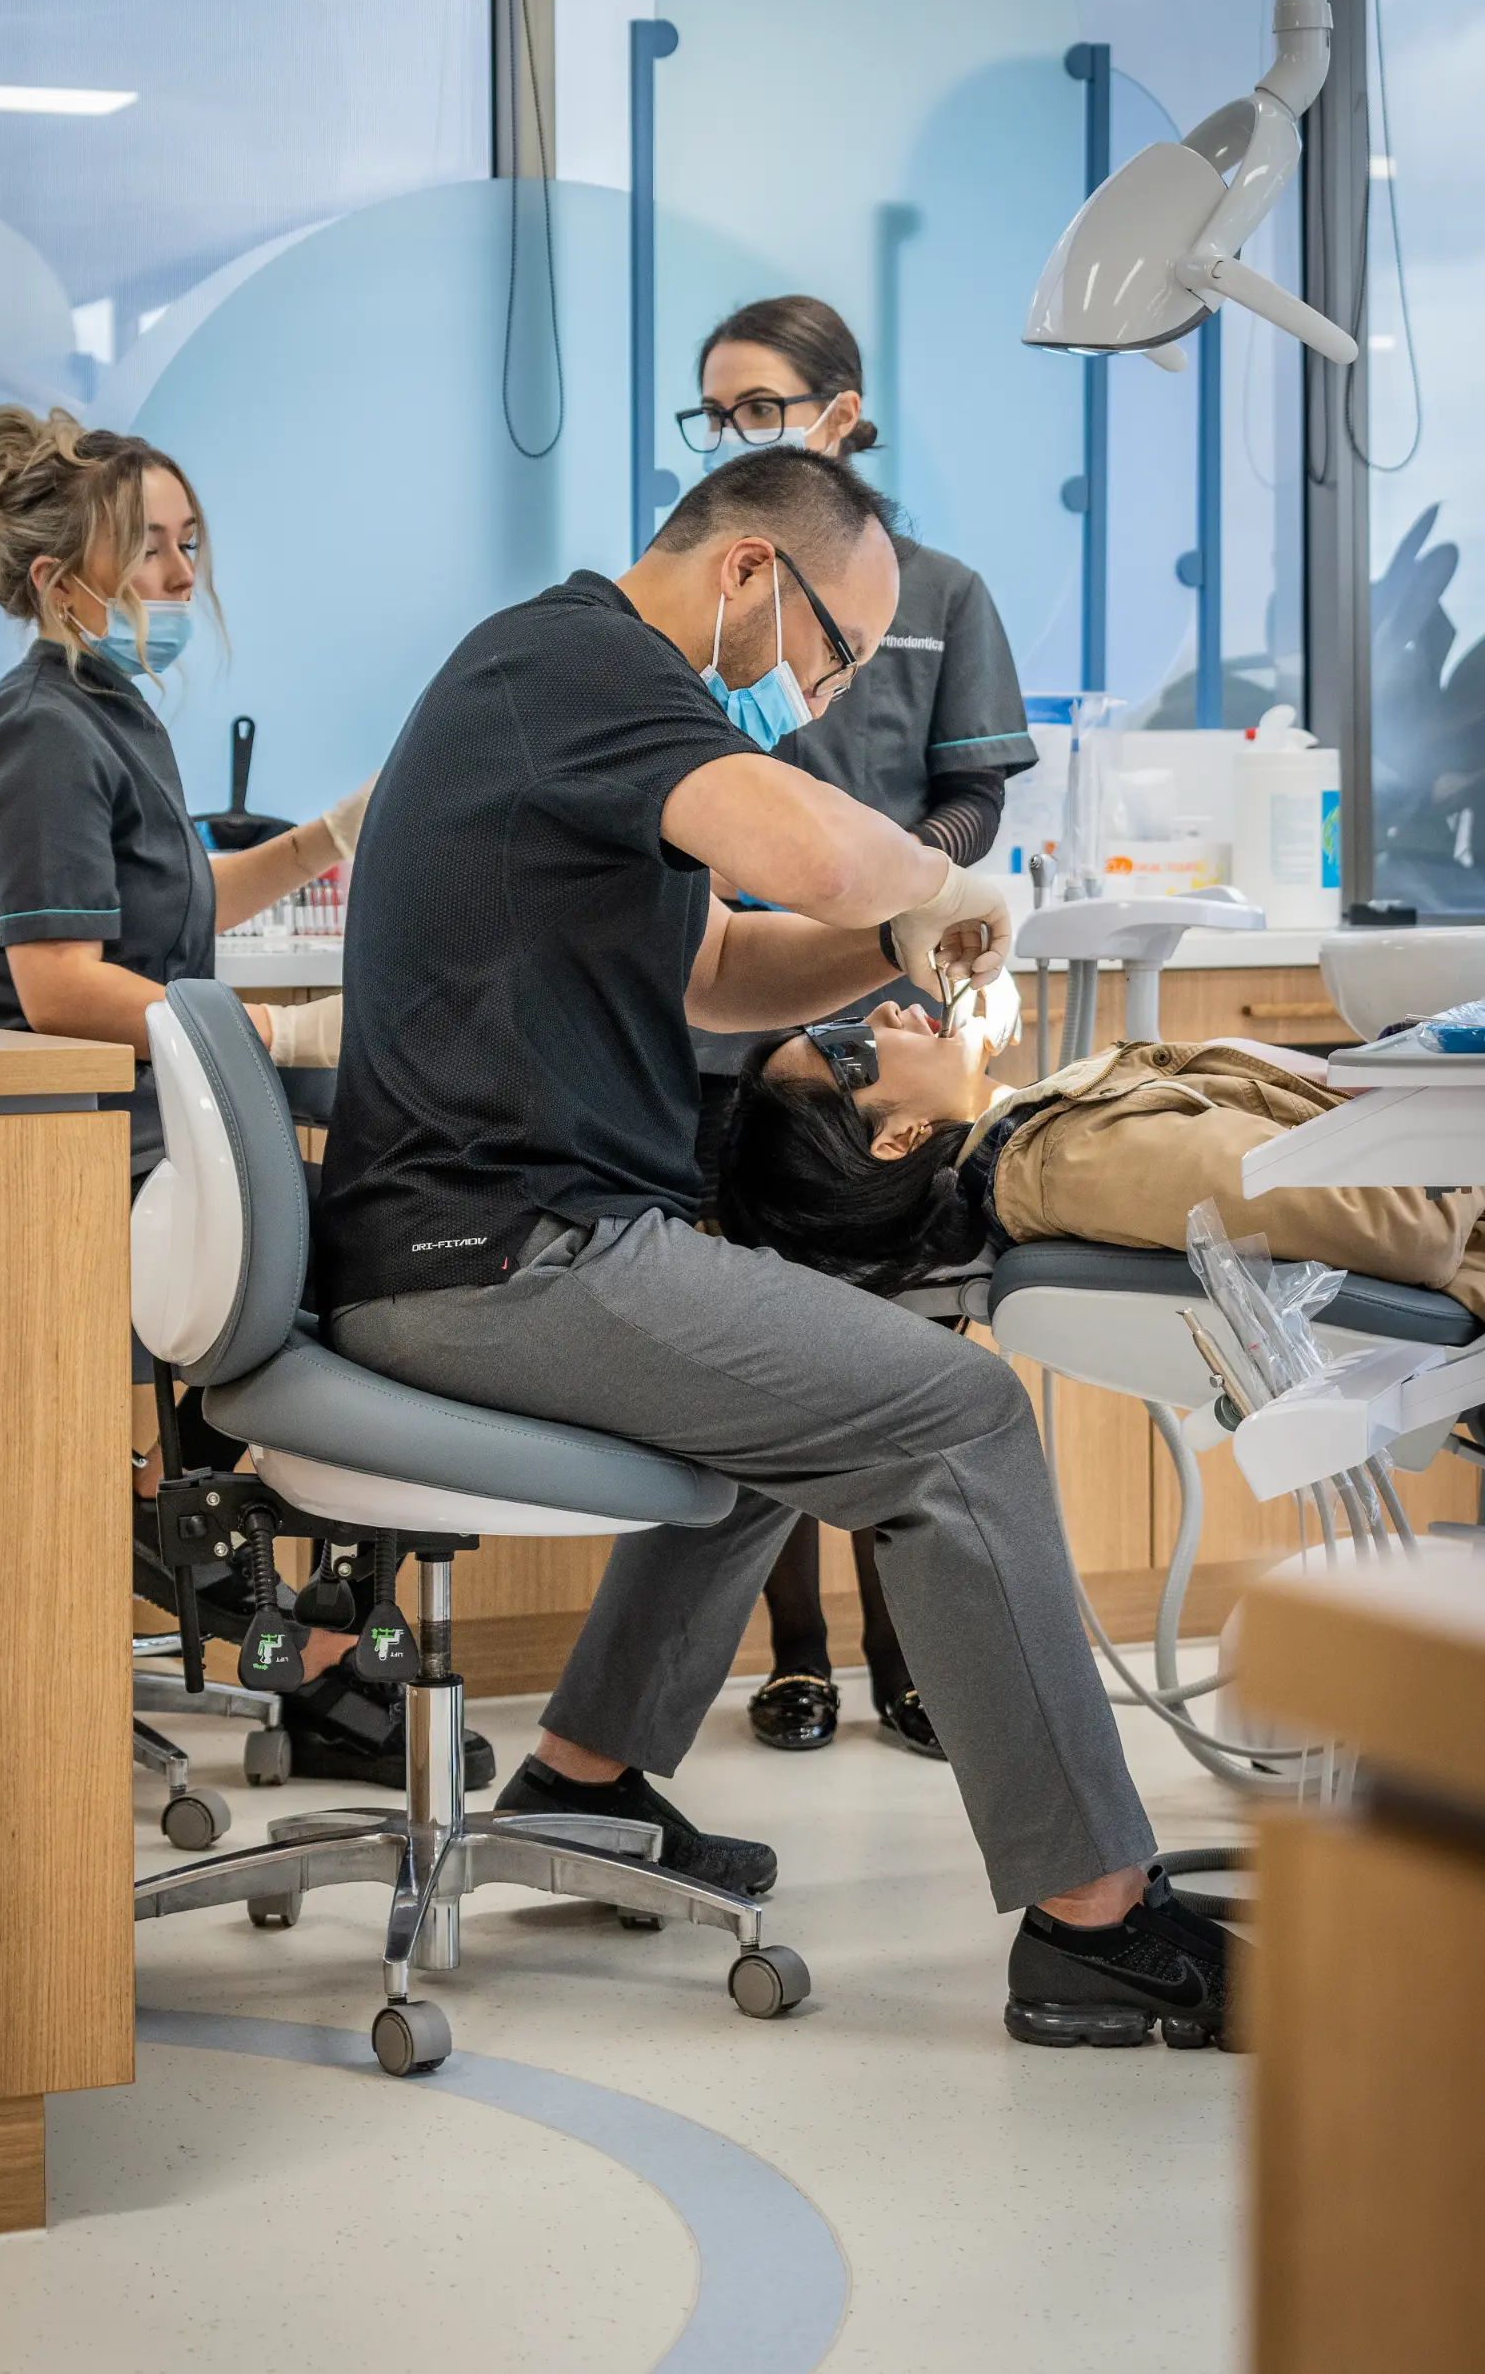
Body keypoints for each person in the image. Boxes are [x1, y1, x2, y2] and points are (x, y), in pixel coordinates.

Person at [317, 443, 1237, 2051]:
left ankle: (585, 1779)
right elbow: (808, 852)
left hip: (495, 1247)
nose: (820, 697)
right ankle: (1096, 1926)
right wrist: (944, 888)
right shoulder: (580, 660)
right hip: (501, 1257)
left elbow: (721, 970)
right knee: (960, 1421)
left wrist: (896, 943)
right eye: (831, 650)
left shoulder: (574, 699)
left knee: (793, 1400)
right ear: (749, 571)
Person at [0, 404, 446, 1794]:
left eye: (190, 545)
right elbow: (62, 983)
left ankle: (316, 1649)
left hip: (152, 1155)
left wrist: (334, 834)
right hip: (70, 1165)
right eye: (146, 549)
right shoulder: (40, 733)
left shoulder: (114, 713)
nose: (179, 578)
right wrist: (256, 1032)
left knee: (359, 1283)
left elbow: (185, 905)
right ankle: (321, 1664)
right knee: (353, 1290)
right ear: (55, 578)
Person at [680, 294, 1037, 1759]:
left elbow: (974, 797)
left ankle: (916, 1659)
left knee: (906, 1341)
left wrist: (890, 885)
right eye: (716, 413)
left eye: (762, 405)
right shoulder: (710, 600)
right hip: (732, 1032)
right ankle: (802, 1657)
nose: (734, 433)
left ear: (842, 410)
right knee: (759, 1355)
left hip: (887, 1013)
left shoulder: (935, 595)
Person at [716, 1004, 1485, 1316]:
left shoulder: (1046, 1135)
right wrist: (1458, 1101)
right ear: (900, 1140)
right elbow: (1407, 1222)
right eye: (845, 1050)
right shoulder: (1067, 1159)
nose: (883, 1012)